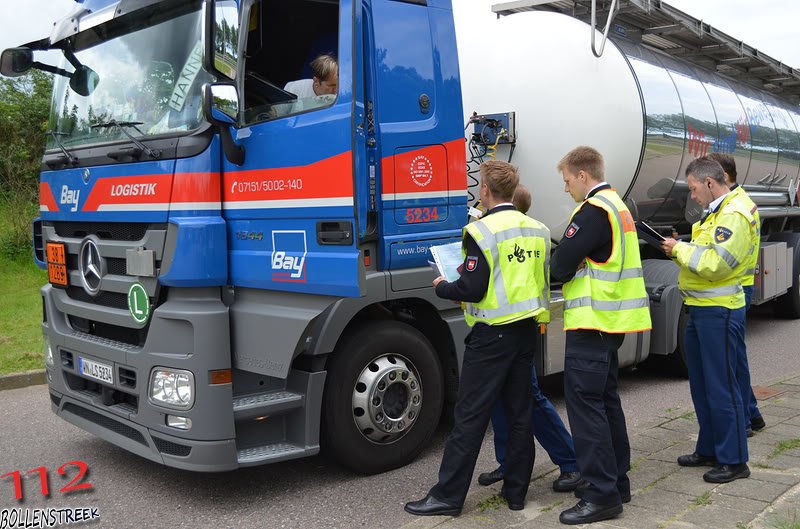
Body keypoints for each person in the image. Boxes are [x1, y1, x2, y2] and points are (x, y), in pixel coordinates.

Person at [404, 160, 550, 516]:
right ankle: (516, 493)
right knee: (519, 414)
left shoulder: (482, 232)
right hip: (526, 331)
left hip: (492, 336)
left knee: (469, 417)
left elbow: (471, 287)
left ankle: (447, 497)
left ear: (485, 189)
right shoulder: (538, 229)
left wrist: (442, 286)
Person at [551, 146, 651, 525]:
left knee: (586, 407)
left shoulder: (593, 211)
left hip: (592, 324)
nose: (565, 189)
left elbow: (560, 265)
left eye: (566, 181)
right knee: (606, 402)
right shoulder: (619, 206)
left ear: (581, 175)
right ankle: (616, 480)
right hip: (612, 324)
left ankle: (601, 494)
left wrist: (570, 260)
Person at [477, 183, 581, 494]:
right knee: (502, 398)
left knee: (531, 400)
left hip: (514, 329)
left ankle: (571, 462)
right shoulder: (529, 233)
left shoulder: (508, 234)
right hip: (511, 327)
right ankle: (509, 462)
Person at [661, 157, 752, 484]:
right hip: (701, 308)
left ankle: (734, 459)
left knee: (721, 386)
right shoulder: (718, 212)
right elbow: (707, 252)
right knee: (702, 385)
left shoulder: (733, 215)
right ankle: (710, 448)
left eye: (695, 188)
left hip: (720, 310)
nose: (693, 195)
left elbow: (716, 264)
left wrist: (678, 251)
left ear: (711, 183)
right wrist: (683, 247)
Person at [706, 153, 765, 434]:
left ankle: (744, 420)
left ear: (724, 178)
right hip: (741, 285)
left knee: (731, 361)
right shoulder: (744, 202)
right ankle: (752, 413)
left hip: (733, 288)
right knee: (736, 357)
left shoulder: (735, 209)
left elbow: (720, 259)